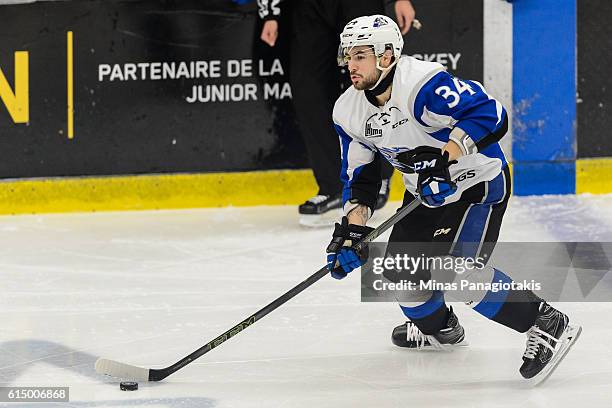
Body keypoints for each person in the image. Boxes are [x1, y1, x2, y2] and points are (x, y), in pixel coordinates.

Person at [325, 15, 581, 384]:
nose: (351, 64)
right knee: (400, 276)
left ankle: (544, 320)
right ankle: (441, 329)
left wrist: (444, 161)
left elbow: (491, 114)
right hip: (427, 196)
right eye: (349, 55)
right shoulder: (348, 111)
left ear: (386, 57)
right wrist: (353, 231)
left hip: (477, 184)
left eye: (361, 55)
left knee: (459, 274)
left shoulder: (421, 85)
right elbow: (360, 176)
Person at [258, 0, 416, 226]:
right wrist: (269, 14)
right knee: (308, 89)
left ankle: (378, 176)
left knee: (372, 78)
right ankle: (332, 186)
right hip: (308, 8)